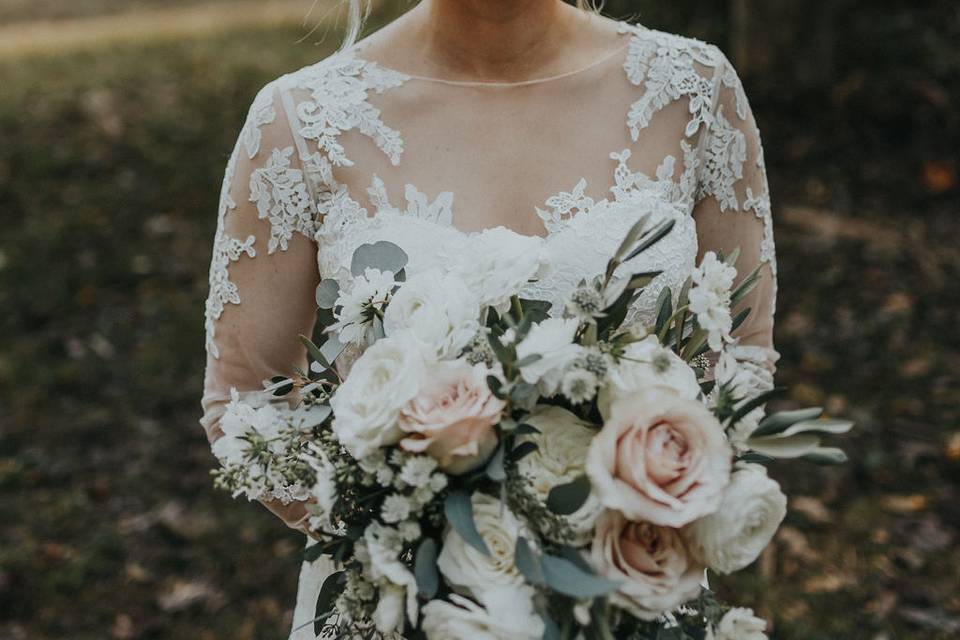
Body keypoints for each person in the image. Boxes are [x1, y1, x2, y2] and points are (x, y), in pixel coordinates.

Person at [198, 1, 779, 636]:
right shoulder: (300, 120)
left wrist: (627, 520)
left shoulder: (693, 89)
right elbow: (245, 404)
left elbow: (740, 361)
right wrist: (418, 538)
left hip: (629, 593)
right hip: (405, 613)